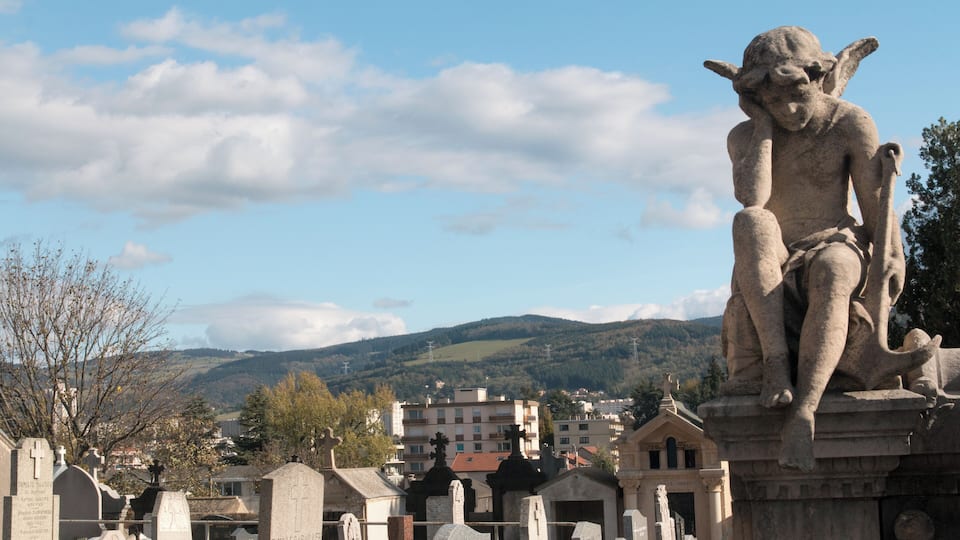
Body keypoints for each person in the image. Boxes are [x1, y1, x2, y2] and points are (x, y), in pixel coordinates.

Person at [706, 27, 930, 471]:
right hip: (777, 253)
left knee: (832, 268)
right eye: (771, 99)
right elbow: (753, 196)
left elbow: (875, 215)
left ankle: (804, 411)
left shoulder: (848, 122)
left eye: (797, 92)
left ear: (818, 76)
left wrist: (894, 255)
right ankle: (775, 363)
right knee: (750, 221)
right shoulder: (743, 137)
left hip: (837, 241)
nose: (788, 107)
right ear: (753, 97)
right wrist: (763, 128)